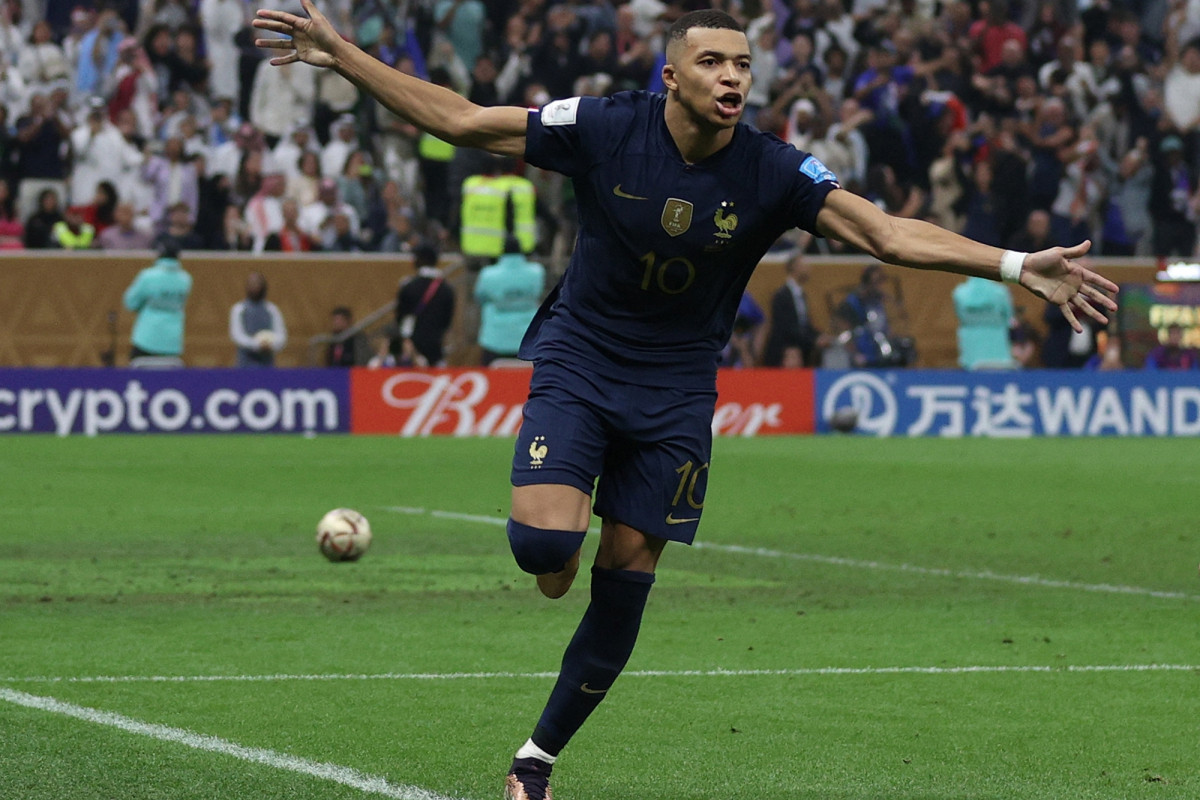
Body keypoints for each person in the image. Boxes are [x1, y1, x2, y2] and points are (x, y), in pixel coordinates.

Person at [253, 7, 1119, 798]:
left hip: (675, 392)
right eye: (711, 62)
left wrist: (1014, 265)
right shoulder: (603, 124)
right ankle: (562, 530)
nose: (732, 77)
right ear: (673, 76)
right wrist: (343, 55)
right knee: (546, 550)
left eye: (742, 63)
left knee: (626, 580)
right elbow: (460, 120)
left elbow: (886, 233)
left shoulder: (774, 169)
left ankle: (535, 762)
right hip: (582, 361)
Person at [475, 233, 545, 365]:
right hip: (528, 336)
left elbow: (480, 297)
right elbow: (538, 293)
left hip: (494, 339)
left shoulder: (488, 274)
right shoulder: (537, 272)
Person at [122, 236, 193, 362]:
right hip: (173, 338)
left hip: (146, 336)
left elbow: (130, 302)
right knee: (168, 378)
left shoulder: (148, 276)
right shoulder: (186, 279)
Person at [836, 263, 916, 368]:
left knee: (906, 348)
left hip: (881, 346)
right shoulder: (852, 303)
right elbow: (844, 333)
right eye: (877, 282)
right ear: (867, 283)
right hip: (863, 350)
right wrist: (855, 354)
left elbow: (887, 326)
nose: (880, 286)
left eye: (882, 281)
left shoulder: (879, 302)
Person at [390, 241, 456, 367]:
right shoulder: (446, 289)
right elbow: (447, 320)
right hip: (436, 346)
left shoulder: (408, 287)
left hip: (411, 348)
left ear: (419, 260)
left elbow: (400, 316)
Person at [762, 251, 828, 367]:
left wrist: (819, 336)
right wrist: (813, 340)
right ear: (794, 268)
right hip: (785, 349)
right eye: (804, 265)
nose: (809, 269)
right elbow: (785, 327)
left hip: (801, 345)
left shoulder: (802, 295)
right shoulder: (782, 296)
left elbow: (804, 324)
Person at [952, 275, 1017, 369]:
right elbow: (1009, 317)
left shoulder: (959, 292)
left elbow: (960, 316)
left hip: (971, 341)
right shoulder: (1000, 292)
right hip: (997, 340)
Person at [229, 270, 287, 367]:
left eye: (258, 284)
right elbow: (237, 335)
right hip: (245, 364)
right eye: (252, 283)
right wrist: (257, 344)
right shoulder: (239, 309)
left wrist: (271, 344)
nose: (255, 287)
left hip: (267, 364)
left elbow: (281, 335)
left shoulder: (272, 309)